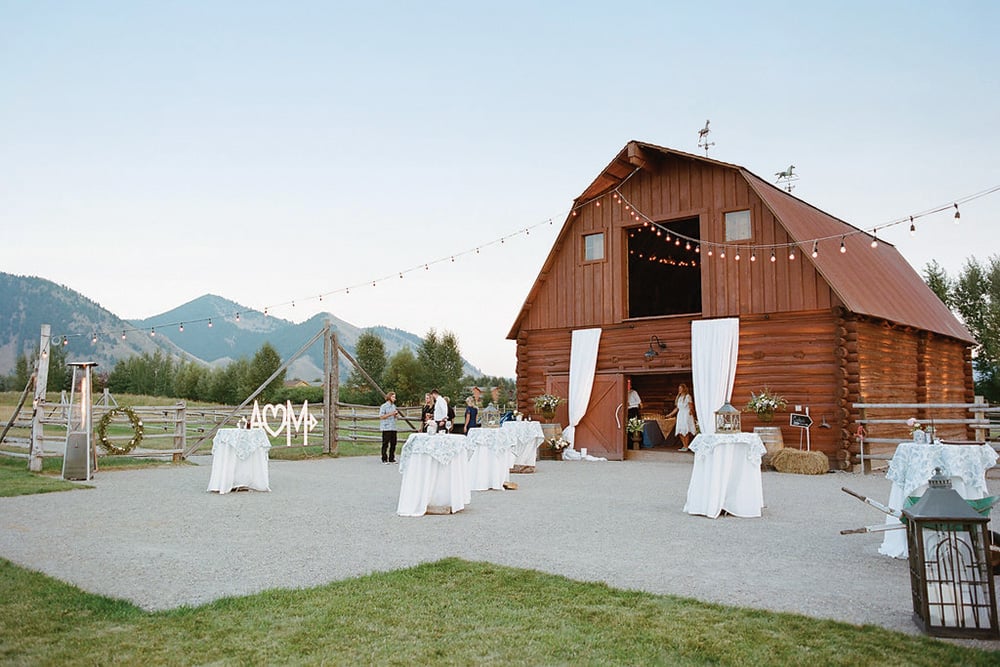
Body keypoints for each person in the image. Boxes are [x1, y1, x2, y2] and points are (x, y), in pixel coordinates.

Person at [666, 383, 696, 451]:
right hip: (680, 414)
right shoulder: (678, 397)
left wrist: (691, 413)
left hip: (686, 414)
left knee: (685, 430)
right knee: (680, 430)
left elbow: (691, 406)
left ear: (684, 389)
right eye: (679, 389)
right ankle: (684, 445)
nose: (679, 390)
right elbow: (677, 408)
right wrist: (670, 414)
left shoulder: (687, 396)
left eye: (680, 388)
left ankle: (686, 446)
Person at [378, 391, 399, 463]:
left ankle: (391, 458)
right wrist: (391, 414)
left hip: (393, 427)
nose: (394, 398)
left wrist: (396, 415)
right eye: (393, 397)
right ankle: (384, 458)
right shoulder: (384, 406)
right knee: (385, 443)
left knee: (393, 443)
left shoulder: (394, 406)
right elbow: (381, 416)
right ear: (389, 397)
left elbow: (395, 417)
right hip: (386, 427)